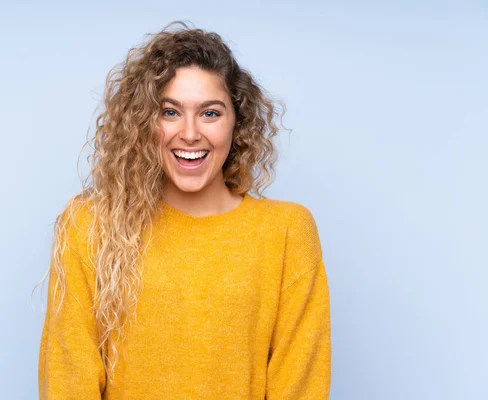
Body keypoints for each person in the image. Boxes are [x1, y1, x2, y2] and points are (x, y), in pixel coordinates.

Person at [38, 20, 331, 399]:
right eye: (170, 112)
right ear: (143, 122)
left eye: (210, 113)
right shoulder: (90, 225)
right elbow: (68, 380)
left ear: (236, 123)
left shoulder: (286, 232)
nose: (190, 133)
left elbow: (300, 385)